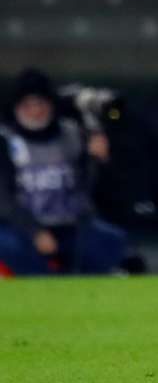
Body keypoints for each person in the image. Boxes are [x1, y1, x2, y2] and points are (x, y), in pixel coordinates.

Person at [0, 68, 130, 276]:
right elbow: (4, 199)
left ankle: (82, 281)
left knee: (111, 240)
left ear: (50, 105)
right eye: (28, 105)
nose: (35, 111)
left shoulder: (71, 133)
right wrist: (34, 232)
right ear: (16, 108)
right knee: (8, 245)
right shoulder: (6, 139)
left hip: (70, 224)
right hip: (22, 226)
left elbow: (92, 187)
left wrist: (98, 160)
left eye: (40, 104)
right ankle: (42, 282)